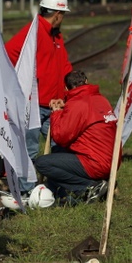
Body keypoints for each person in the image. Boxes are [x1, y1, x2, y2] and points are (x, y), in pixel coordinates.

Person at [5, 0, 73, 193]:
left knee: (61, 145)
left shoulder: (55, 35)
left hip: (53, 105)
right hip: (34, 105)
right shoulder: (33, 31)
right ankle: (26, 191)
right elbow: (9, 52)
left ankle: (56, 186)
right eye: (63, 15)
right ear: (58, 14)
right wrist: (23, 81)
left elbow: (64, 65)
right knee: (30, 149)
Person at [35, 71, 118, 205]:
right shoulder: (101, 99)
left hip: (95, 163)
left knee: (43, 163)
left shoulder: (77, 104)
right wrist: (66, 106)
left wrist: (56, 113)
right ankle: (101, 184)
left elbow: (61, 136)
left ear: (66, 88)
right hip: (112, 159)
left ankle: (89, 187)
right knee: (60, 153)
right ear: (86, 81)